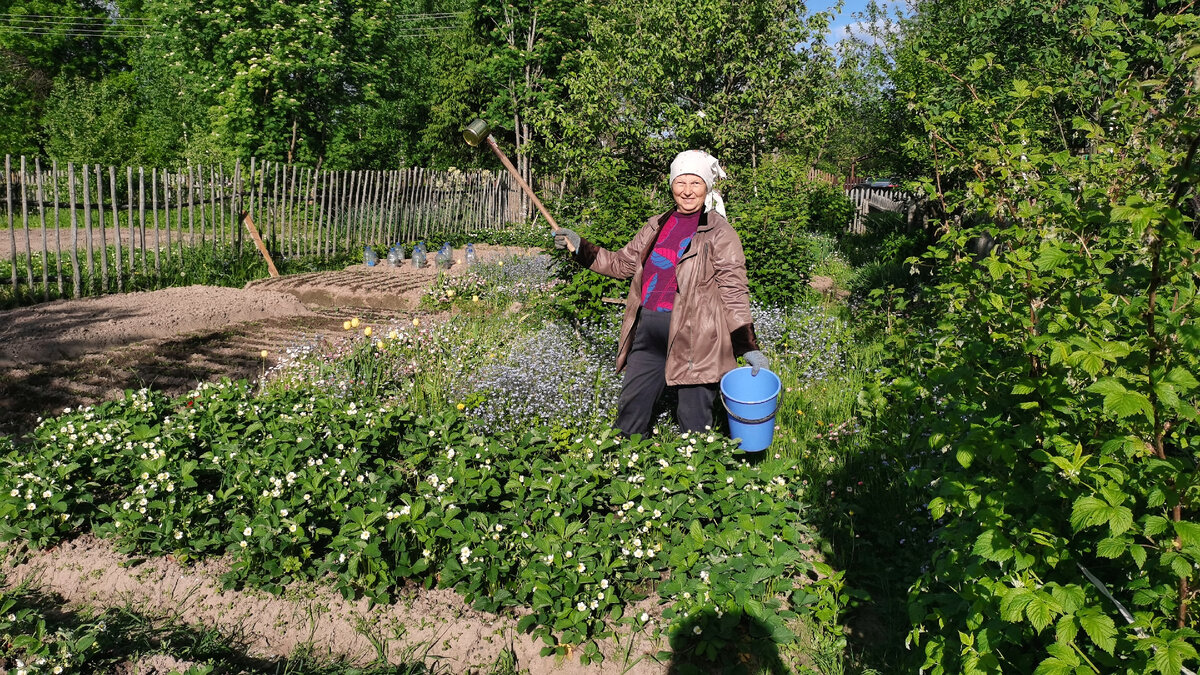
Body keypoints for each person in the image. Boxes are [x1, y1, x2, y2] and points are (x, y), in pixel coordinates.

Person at [552, 150, 768, 437]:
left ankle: (697, 477)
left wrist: (747, 345)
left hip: (697, 338)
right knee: (631, 411)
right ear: (671, 185)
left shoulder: (719, 232)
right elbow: (622, 264)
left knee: (693, 422)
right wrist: (581, 248)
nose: (688, 191)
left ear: (707, 187)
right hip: (649, 330)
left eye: (696, 183)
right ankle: (621, 472)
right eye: (681, 183)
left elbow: (733, 289)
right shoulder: (656, 225)